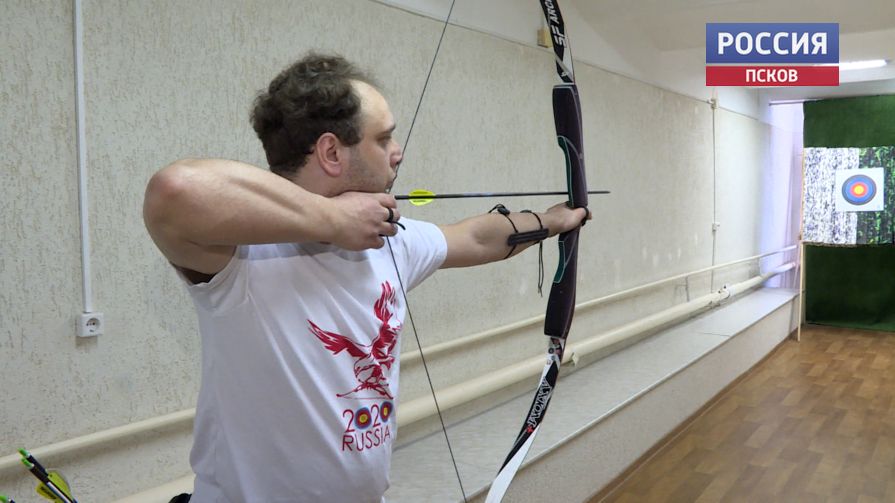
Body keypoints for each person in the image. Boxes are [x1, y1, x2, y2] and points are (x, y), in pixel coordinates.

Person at [143, 52, 587, 502]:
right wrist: (331, 220)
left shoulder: (387, 240)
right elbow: (175, 191)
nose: (398, 152)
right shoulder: (239, 256)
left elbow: (475, 237)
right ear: (332, 152)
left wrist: (551, 221)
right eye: (384, 138)